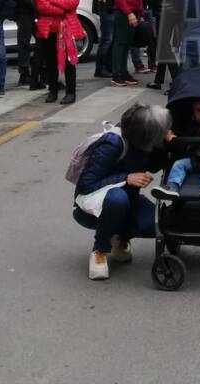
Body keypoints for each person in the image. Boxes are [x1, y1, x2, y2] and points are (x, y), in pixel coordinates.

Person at [72, 103, 171, 280]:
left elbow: (154, 165)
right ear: (147, 135)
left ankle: (120, 237)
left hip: (130, 200)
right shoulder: (112, 143)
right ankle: (99, 251)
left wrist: (167, 145)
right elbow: (86, 184)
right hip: (94, 205)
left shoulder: (145, 142)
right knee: (118, 200)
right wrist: (126, 178)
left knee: (158, 223)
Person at [34, 0, 84, 104]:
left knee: (70, 63)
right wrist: (62, 10)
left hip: (68, 29)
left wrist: (53, 1)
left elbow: (73, 2)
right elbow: (41, 5)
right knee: (50, 63)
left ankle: (71, 93)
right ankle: (53, 91)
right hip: (50, 30)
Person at [111, 0, 145, 86]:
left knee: (127, 45)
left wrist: (141, 14)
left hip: (134, 13)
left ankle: (124, 72)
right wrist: (129, 13)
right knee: (120, 44)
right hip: (124, 14)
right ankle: (116, 74)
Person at [146, 0, 180, 91]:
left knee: (164, 48)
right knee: (163, 46)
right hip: (171, 14)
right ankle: (158, 80)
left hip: (164, 14)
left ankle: (178, 80)